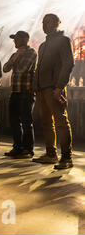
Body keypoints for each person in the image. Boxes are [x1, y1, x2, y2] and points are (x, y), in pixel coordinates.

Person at [32, 14, 74, 169]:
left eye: (48, 22)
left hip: (54, 88)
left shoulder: (64, 41)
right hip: (42, 89)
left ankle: (67, 158)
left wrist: (59, 86)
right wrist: (35, 87)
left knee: (61, 122)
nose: (44, 25)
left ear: (57, 23)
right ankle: (51, 154)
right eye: (43, 22)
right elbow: (39, 68)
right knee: (46, 122)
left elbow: (68, 64)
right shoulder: (43, 45)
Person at [2, 31, 37, 159]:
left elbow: (23, 69)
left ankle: (28, 149)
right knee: (14, 121)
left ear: (25, 39)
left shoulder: (31, 53)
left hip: (26, 92)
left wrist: (14, 60)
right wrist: (14, 58)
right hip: (15, 91)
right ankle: (17, 147)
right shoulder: (15, 54)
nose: (15, 41)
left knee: (26, 122)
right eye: (14, 39)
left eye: (17, 38)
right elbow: (5, 68)